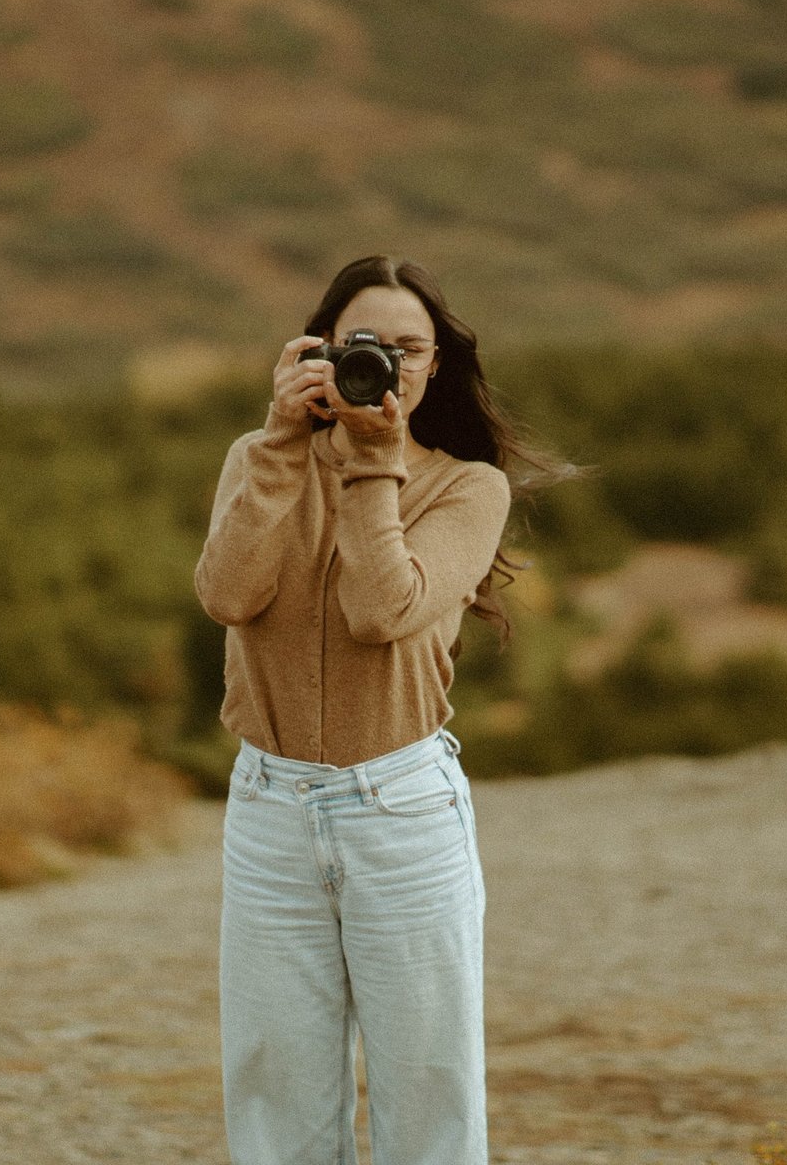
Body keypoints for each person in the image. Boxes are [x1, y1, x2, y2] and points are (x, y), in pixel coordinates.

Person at [195, 254, 569, 1165]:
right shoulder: (258, 460)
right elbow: (227, 594)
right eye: (366, 343)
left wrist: (373, 466)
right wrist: (282, 444)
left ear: (436, 365)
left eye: (410, 348)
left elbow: (381, 610)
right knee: (274, 1098)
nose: (387, 365)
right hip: (269, 812)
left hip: (401, 813)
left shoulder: (468, 488)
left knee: (429, 1096)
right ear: (319, 348)